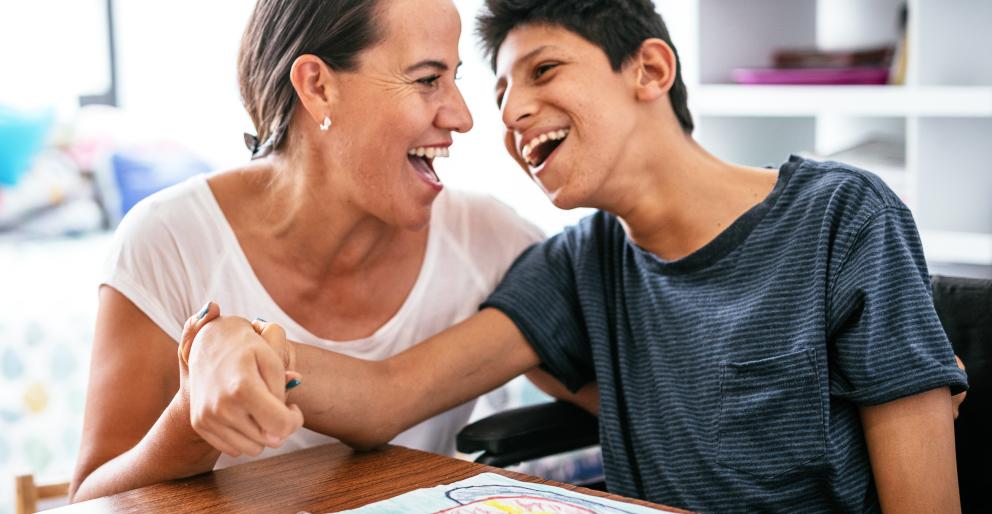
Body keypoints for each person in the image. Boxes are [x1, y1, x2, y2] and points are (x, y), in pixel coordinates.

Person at [184, 0, 969, 512]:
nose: (512, 113)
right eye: (497, 95)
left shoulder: (842, 218)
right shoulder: (579, 264)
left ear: (650, 71)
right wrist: (237, 344)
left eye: (545, 70)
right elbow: (388, 393)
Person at [68, 0, 552, 502]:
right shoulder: (168, 241)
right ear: (318, 86)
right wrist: (193, 416)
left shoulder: (490, 239)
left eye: (455, 77)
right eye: (428, 79)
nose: (464, 116)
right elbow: (90, 503)